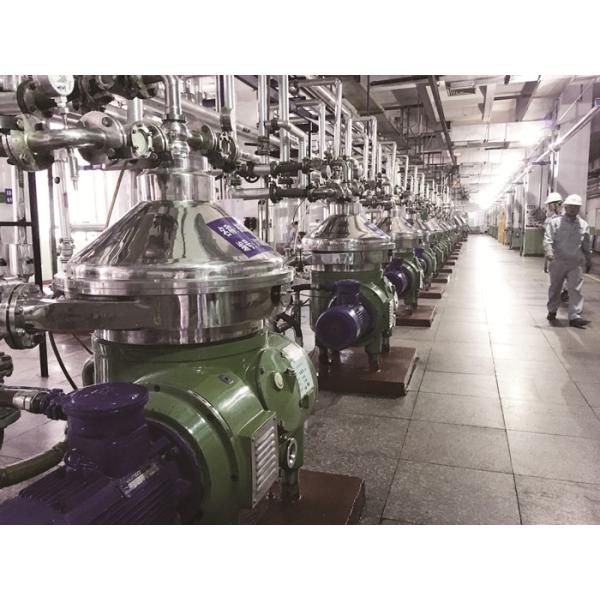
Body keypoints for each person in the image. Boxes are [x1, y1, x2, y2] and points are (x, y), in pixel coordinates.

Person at [543, 194, 592, 328]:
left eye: (576, 207)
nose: (573, 209)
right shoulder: (555, 223)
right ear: (565, 206)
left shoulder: (583, 225)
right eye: (570, 206)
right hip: (558, 261)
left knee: (575, 290)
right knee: (555, 288)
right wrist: (549, 253)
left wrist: (588, 259)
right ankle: (552, 310)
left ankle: (575, 316)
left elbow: (586, 245)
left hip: (575, 263)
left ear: (579, 209)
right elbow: (548, 239)